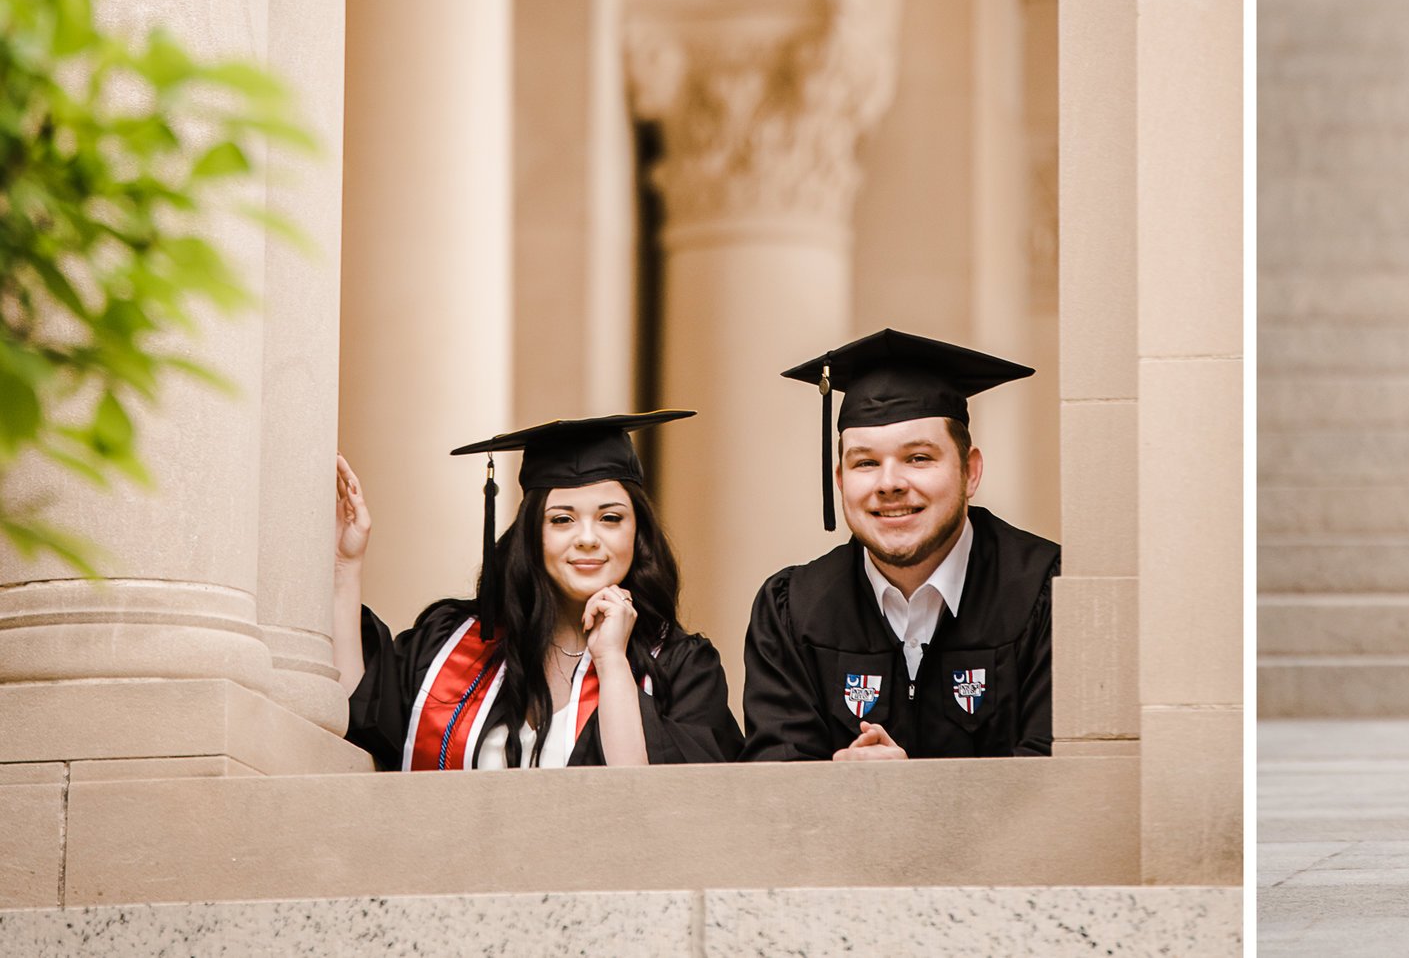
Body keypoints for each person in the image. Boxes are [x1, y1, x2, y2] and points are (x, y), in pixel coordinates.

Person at [332, 412, 741, 769]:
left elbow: (655, 803)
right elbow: (360, 715)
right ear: (532, 534)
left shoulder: (681, 669)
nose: (586, 538)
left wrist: (612, 658)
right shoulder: (450, 646)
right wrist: (346, 565)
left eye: (610, 518)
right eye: (562, 519)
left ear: (638, 534)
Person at [740, 328, 1059, 760]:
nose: (889, 484)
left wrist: (909, 796)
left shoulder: (1046, 591)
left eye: (918, 458)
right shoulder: (792, 611)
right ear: (840, 480)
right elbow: (774, 783)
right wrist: (831, 788)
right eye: (866, 463)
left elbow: (1057, 780)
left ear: (971, 472)